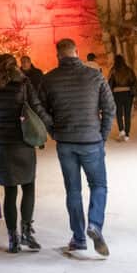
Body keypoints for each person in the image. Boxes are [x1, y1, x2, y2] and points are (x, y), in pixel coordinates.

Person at [42, 39, 115, 256]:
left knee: (73, 190)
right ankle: (94, 224)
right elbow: (109, 108)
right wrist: (101, 136)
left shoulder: (49, 80)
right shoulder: (95, 76)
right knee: (99, 185)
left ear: (58, 55)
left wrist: (53, 130)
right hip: (91, 141)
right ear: (77, 52)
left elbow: (41, 109)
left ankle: (79, 238)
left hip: (65, 142)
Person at [0, 54, 53, 253]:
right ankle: (27, 233)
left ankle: (13, 238)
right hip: (22, 142)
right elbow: (37, 108)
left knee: (10, 192)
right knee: (28, 187)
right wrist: (52, 127)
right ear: (16, 68)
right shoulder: (23, 85)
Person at [109, 54, 137, 142]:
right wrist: (133, 93)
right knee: (127, 114)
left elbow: (110, 83)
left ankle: (121, 130)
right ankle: (127, 134)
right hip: (127, 94)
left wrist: (111, 94)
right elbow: (134, 82)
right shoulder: (128, 70)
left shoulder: (113, 70)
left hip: (117, 94)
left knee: (118, 113)